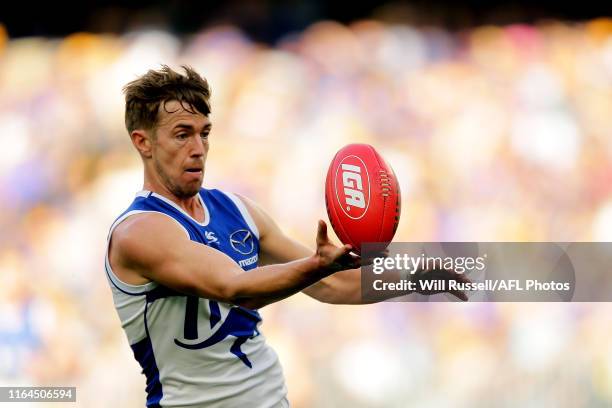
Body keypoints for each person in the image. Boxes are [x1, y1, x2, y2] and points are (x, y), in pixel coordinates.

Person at [105, 65, 467, 408]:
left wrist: (413, 277)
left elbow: (333, 285)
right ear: (143, 143)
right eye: (182, 134)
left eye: (205, 132)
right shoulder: (139, 232)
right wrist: (316, 265)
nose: (198, 148)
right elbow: (236, 288)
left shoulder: (237, 209)